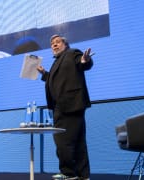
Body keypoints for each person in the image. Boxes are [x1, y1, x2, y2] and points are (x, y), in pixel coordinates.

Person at [37, 34, 93, 180]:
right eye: (52, 43)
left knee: (63, 141)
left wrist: (85, 60)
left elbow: (82, 62)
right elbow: (57, 80)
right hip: (67, 106)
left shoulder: (71, 53)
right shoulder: (56, 62)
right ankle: (83, 175)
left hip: (69, 105)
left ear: (65, 44)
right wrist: (44, 74)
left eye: (57, 42)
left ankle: (68, 173)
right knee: (78, 142)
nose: (54, 45)